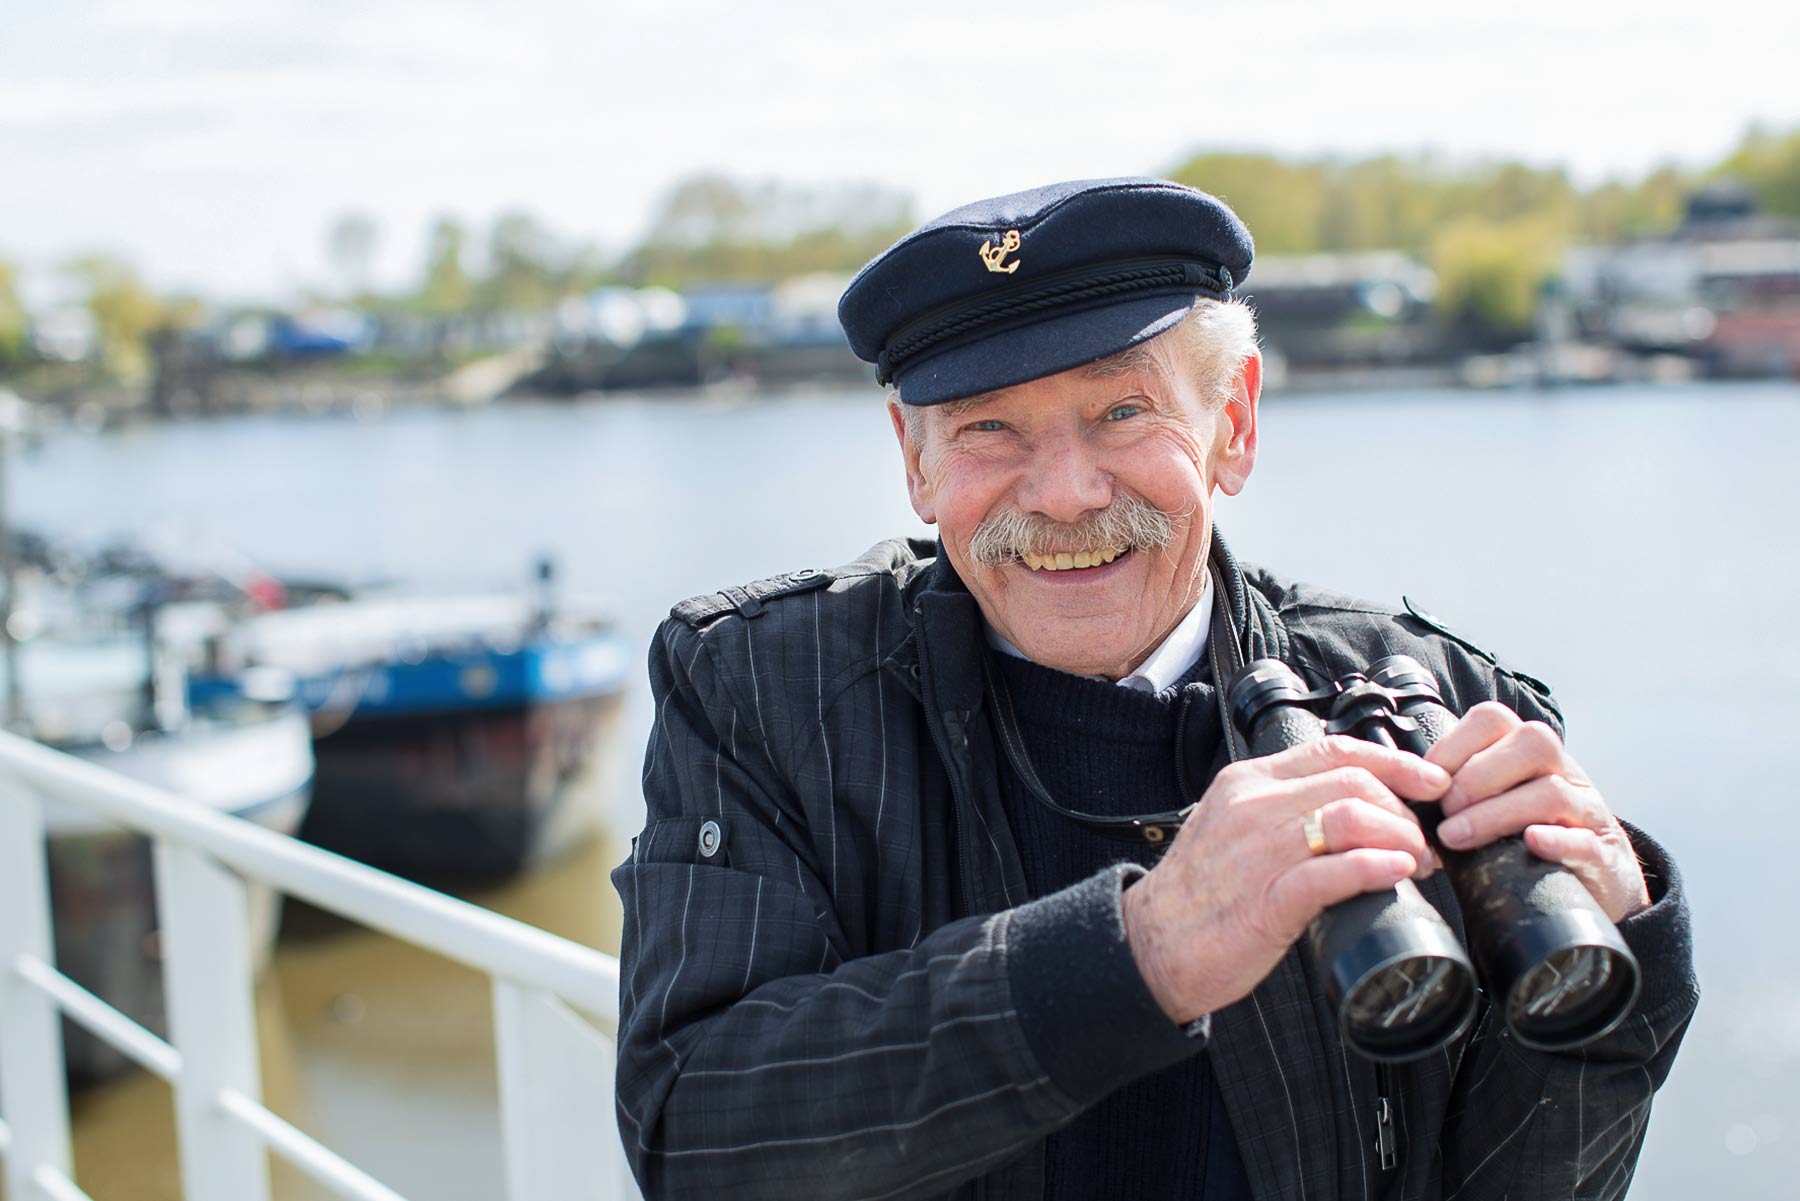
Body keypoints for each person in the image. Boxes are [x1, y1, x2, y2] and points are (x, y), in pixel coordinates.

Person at [612, 178, 1697, 1201]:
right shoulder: (759, 689)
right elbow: (696, 1133)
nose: (1067, 493)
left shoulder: (1441, 701)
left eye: (1121, 413)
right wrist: (1143, 951)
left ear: (1235, 423)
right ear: (916, 457)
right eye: (990, 427)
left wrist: (1626, 949)